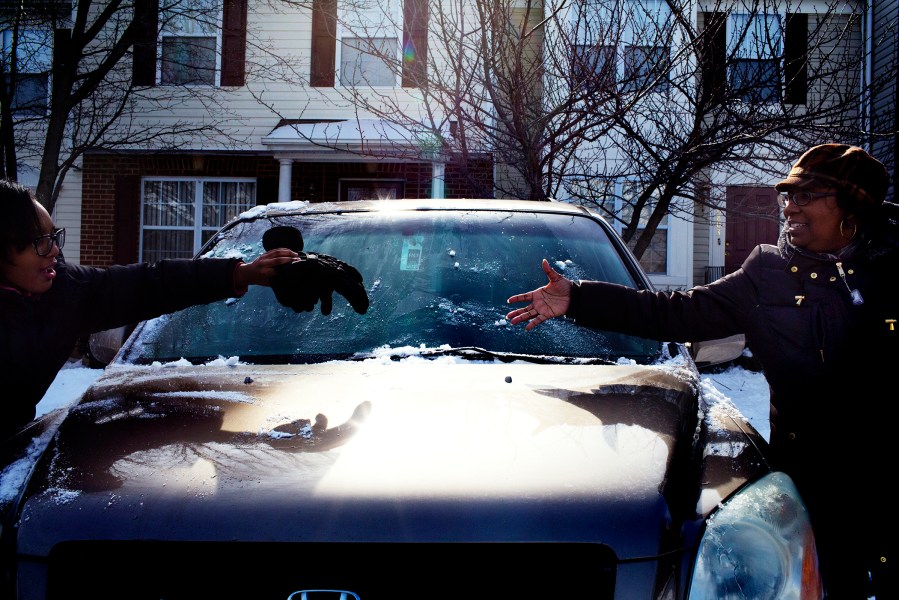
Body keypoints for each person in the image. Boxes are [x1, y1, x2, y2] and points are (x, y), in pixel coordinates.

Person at [506, 143, 896, 599]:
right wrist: (580, 299)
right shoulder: (768, 275)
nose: (790, 206)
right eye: (787, 195)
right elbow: (675, 312)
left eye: (806, 195)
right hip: (815, 493)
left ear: (853, 205)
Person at [0, 179, 366, 445]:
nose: (54, 252)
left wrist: (242, 274)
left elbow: (152, 284)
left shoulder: (61, 292)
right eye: (39, 243)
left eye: (54, 237)